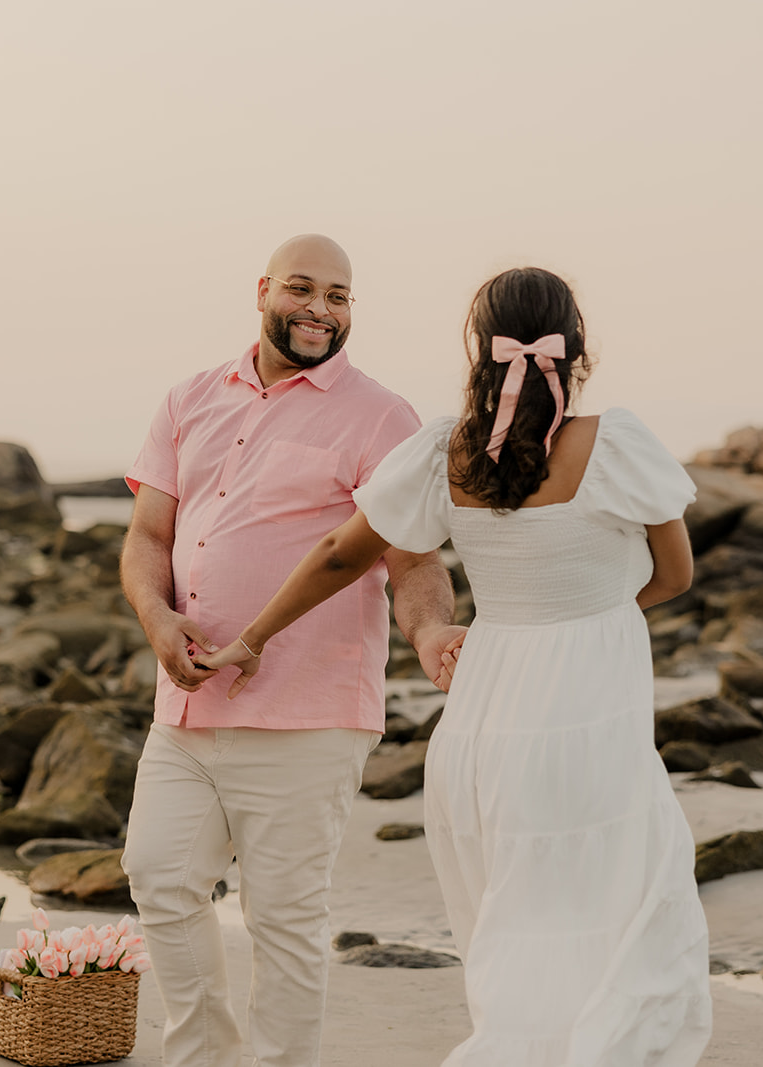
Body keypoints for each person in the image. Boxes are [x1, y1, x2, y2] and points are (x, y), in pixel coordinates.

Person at [198, 266, 712, 1065]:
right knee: (627, 905)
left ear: (481, 348)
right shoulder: (615, 442)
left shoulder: (446, 448)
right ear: (576, 347)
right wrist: (586, 618)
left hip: (487, 718)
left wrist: (253, 636)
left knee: (516, 912)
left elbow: (340, 552)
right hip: (587, 718)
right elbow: (674, 575)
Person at [118, 233, 462, 1067]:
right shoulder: (189, 398)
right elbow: (146, 535)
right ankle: (203, 1057)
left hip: (309, 712)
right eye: (303, 289)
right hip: (188, 703)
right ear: (264, 289)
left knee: (284, 918)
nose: (320, 308)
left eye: (339, 296)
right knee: (160, 878)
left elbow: (412, 558)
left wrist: (430, 631)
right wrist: (159, 622)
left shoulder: (383, 416)